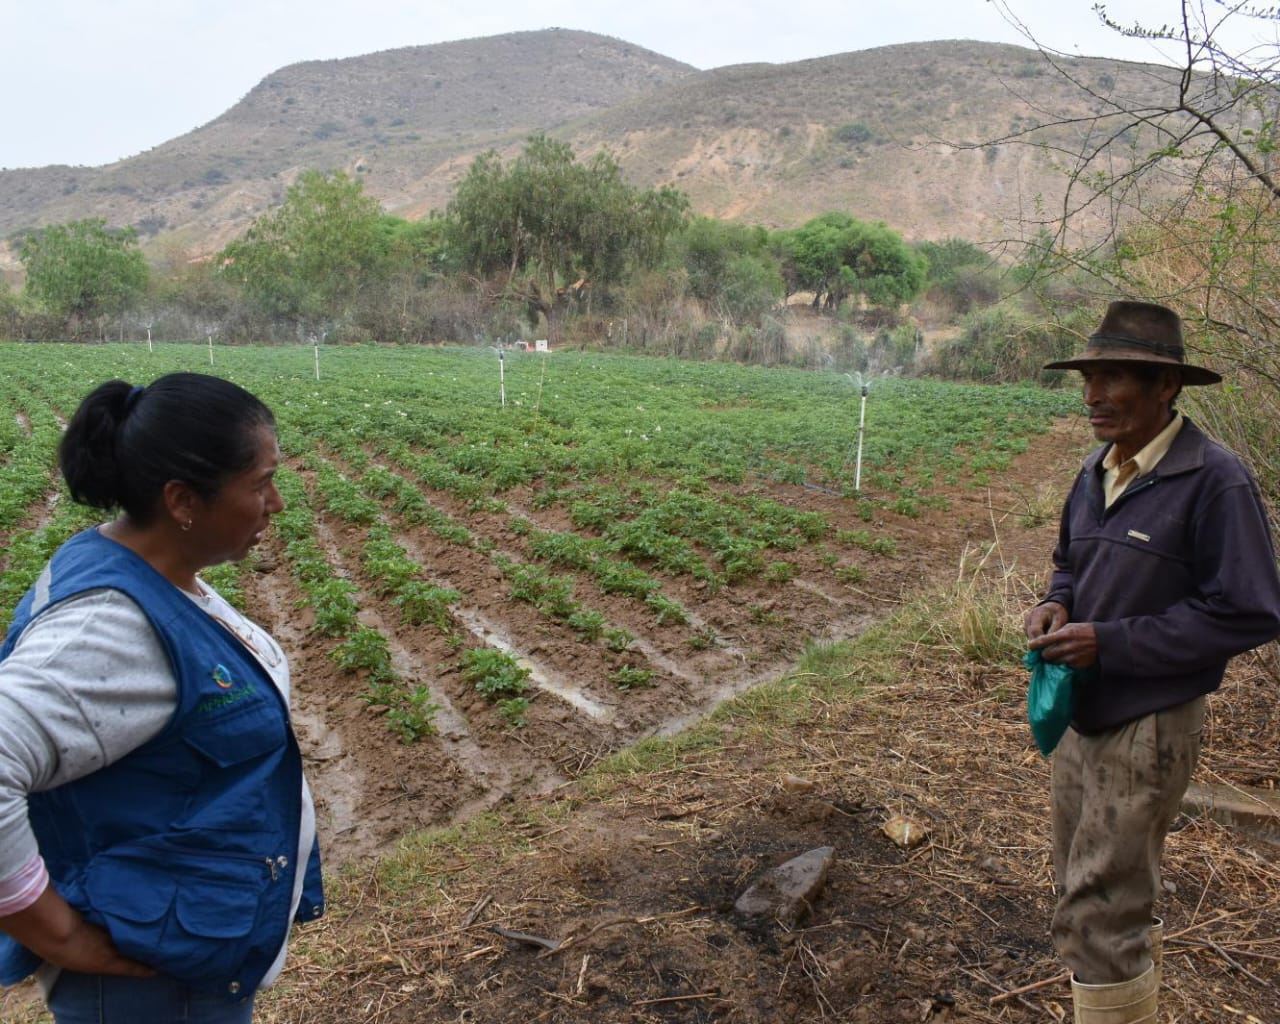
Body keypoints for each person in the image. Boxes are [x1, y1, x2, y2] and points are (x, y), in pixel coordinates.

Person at [0, 373, 323, 1024]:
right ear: (183, 500)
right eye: (259, 484)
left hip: (180, 959)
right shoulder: (109, 629)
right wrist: (50, 927)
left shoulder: (149, 568)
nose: (277, 504)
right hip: (149, 992)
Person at [1024, 301, 1280, 1022]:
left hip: (1150, 726)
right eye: (1089, 378)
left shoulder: (1213, 482)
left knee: (1103, 911)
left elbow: (1250, 609)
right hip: (1085, 714)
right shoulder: (1095, 472)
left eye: (1113, 378)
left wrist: (1112, 641)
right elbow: (1068, 564)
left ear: (1166, 387)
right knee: (1085, 889)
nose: (1093, 396)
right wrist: (1057, 604)